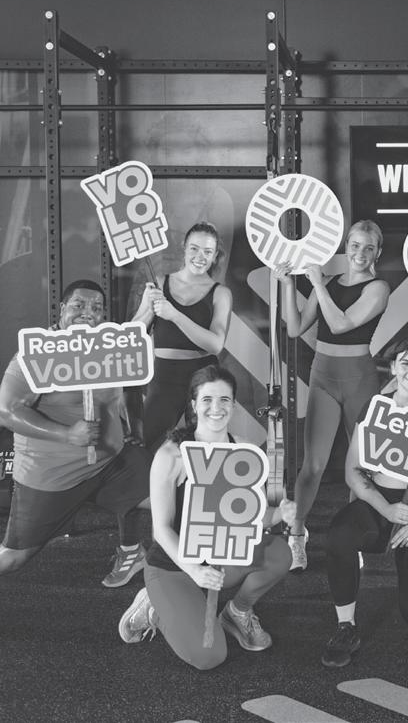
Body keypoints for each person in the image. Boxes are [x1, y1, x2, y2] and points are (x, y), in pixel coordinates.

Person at [0, 280, 150, 643]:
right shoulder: (37, 355)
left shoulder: (106, 348)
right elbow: (7, 412)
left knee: (171, 497)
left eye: (96, 308)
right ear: (61, 309)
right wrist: (66, 434)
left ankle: (163, 588)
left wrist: (130, 429)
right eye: (78, 306)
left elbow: (123, 392)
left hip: (108, 464)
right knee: (12, 556)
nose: (88, 314)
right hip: (51, 474)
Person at [116, 364, 295, 670]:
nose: (216, 408)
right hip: (174, 567)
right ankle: (154, 606)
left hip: (221, 559)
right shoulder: (171, 455)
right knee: (208, 657)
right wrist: (195, 571)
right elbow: (161, 530)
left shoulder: (243, 450)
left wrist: (280, 513)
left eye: (224, 400)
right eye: (207, 399)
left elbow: (252, 519)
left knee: (279, 554)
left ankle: (237, 613)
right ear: (194, 404)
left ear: (233, 405)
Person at [320, 335, 408, 667]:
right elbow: (353, 470)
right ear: (394, 368)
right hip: (379, 501)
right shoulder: (375, 407)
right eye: (405, 363)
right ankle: (345, 626)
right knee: (339, 536)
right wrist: (385, 508)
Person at [104, 222, 233, 589]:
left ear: (215, 255)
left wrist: (174, 314)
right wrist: (149, 308)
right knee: (139, 465)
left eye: (208, 251)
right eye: (195, 248)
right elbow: (132, 334)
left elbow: (215, 344)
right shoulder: (159, 283)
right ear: (184, 248)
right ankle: (130, 549)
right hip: (163, 382)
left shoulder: (220, 292)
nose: (200, 256)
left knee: (210, 465)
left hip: (202, 382)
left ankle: (207, 545)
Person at [273, 220, 390, 573]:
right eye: (354, 245)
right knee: (313, 465)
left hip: (359, 379)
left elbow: (340, 324)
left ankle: (353, 538)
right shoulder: (329, 283)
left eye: (368, 247)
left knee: (362, 467)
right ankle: (297, 535)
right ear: (346, 247)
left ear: (378, 252)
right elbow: (295, 328)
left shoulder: (378, 288)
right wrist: (287, 285)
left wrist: (318, 285)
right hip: (323, 375)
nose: (360, 253)